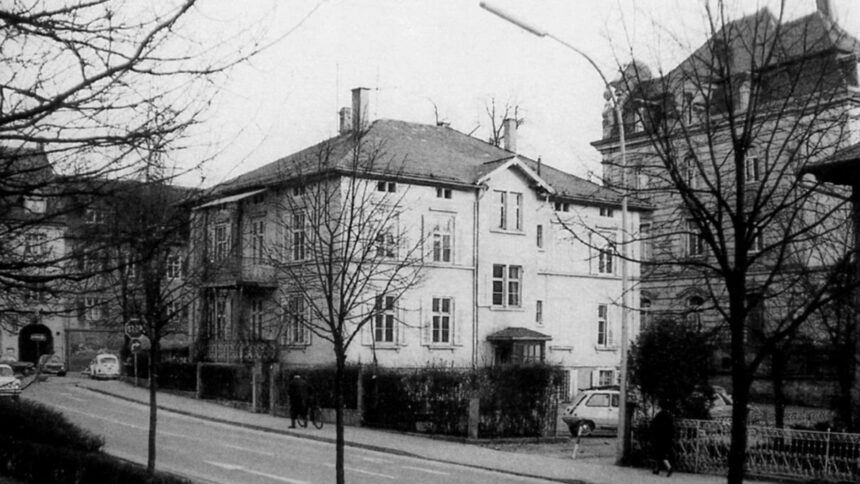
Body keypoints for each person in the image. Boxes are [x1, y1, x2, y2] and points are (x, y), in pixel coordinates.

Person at [650, 402, 675, 477]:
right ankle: (657, 469)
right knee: (662, 454)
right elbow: (672, 428)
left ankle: (669, 468)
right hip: (667, 438)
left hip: (659, 437)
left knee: (660, 454)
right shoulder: (669, 416)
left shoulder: (660, 415)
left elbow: (653, 425)